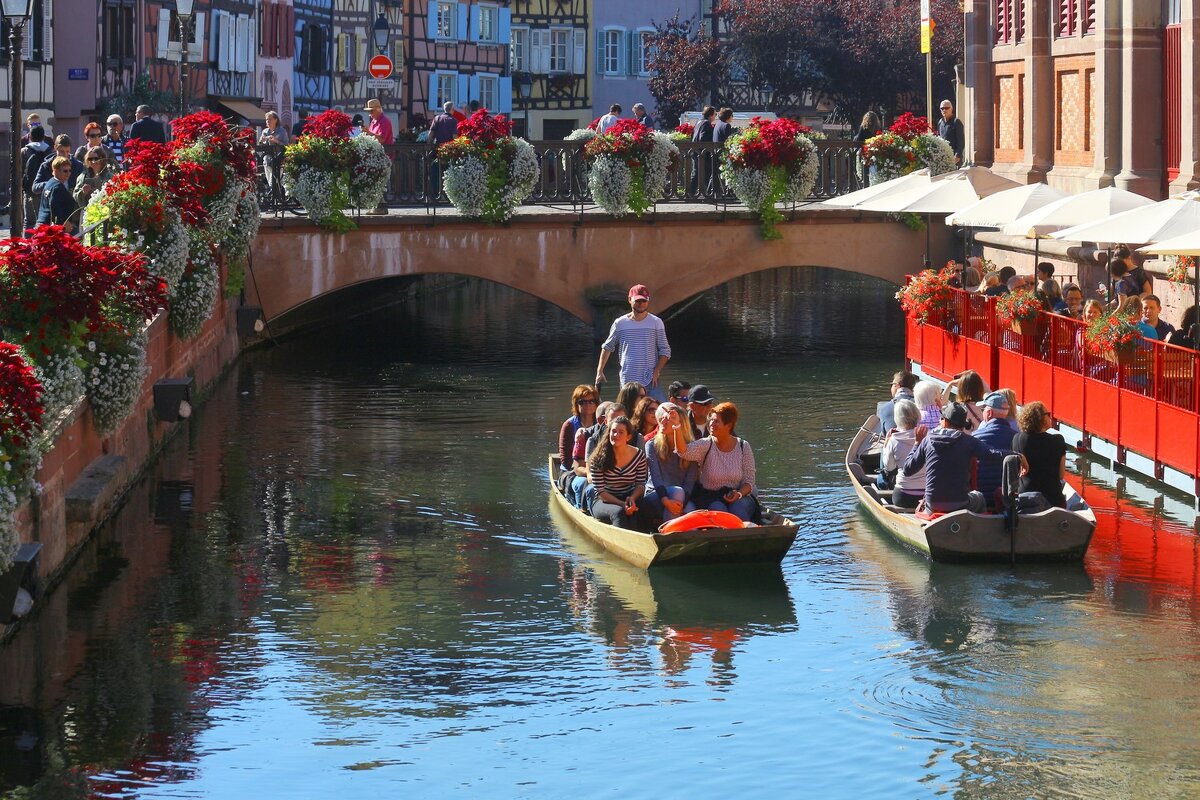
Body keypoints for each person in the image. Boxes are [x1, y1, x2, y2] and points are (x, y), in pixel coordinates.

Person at [901, 401, 1023, 514]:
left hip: (933, 504)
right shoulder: (969, 441)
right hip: (961, 503)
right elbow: (992, 454)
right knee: (979, 497)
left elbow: (907, 469)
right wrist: (1018, 456)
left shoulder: (928, 440)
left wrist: (917, 443)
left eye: (942, 418)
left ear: (945, 422)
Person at [672, 401, 758, 521]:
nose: (711, 424)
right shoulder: (706, 444)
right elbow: (683, 451)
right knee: (719, 511)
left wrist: (738, 494)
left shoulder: (744, 446)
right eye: (711, 420)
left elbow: (749, 481)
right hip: (710, 497)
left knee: (737, 509)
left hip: (738, 495)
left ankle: (745, 535)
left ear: (728, 426)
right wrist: (676, 427)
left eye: (716, 421)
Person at [596, 284, 671, 402]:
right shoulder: (620, 323)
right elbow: (607, 347)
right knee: (627, 413)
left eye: (643, 300)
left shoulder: (656, 323)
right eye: (637, 301)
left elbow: (665, 350)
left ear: (648, 301)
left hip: (650, 379)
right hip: (628, 380)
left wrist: (657, 370)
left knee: (661, 408)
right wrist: (599, 371)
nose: (641, 303)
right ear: (630, 300)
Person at [587, 416, 648, 530]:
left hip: (629, 497)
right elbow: (600, 492)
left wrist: (632, 499)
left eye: (621, 432)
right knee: (619, 513)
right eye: (613, 431)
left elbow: (640, 484)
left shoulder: (639, 455)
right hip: (604, 501)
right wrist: (622, 504)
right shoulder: (598, 458)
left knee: (646, 508)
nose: (616, 435)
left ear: (628, 436)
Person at [643, 402, 698, 523]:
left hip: (681, 498)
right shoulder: (652, 445)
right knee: (677, 492)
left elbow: (689, 482)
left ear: (680, 423)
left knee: (691, 511)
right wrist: (666, 501)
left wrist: (681, 504)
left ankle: (688, 539)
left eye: (667, 419)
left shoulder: (692, 448)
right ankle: (670, 536)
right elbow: (656, 479)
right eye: (661, 418)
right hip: (657, 495)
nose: (662, 422)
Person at [1012, 401, 1067, 509]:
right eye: (1048, 414)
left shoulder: (1017, 439)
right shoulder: (1058, 440)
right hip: (1052, 500)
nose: (1050, 417)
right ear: (1040, 419)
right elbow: (1061, 475)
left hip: (1025, 498)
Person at [972, 391, 1017, 506]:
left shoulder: (975, 437)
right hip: (1007, 500)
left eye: (983, 410)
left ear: (989, 413)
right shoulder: (1016, 438)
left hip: (981, 499)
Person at [880, 399, 925, 508]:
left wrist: (886, 444)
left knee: (882, 479)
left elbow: (889, 468)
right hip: (927, 495)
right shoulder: (927, 437)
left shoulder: (893, 440)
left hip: (903, 496)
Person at [559, 384, 599, 474]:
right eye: (582, 402)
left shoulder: (600, 423)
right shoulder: (569, 425)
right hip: (571, 470)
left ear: (596, 403)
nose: (587, 405)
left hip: (595, 468)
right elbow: (566, 460)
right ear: (576, 404)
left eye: (591, 401)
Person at [36, 156, 79, 232]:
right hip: (52, 227)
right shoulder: (57, 187)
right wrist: (63, 222)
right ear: (56, 171)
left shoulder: (50, 183)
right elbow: (54, 204)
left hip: (43, 223)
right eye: (65, 171)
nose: (68, 173)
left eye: (69, 170)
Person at [258, 111, 291, 196]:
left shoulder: (282, 131)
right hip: (268, 158)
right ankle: (273, 188)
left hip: (279, 157)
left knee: (277, 176)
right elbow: (260, 145)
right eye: (266, 120)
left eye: (269, 119)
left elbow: (287, 146)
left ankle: (275, 189)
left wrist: (276, 140)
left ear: (275, 120)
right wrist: (261, 141)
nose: (267, 122)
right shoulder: (265, 131)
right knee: (266, 161)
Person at [876, 370, 917, 435]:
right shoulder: (920, 405)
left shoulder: (884, 408)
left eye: (891, 385)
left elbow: (884, 433)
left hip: (895, 442)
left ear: (897, 386)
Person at [937, 100, 965, 166]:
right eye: (942, 108)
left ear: (951, 109)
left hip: (954, 158)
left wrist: (957, 155)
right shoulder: (940, 122)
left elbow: (961, 141)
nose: (944, 110)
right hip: (943, 158)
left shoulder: (956, 122)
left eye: (946, 108)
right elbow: (938, 138)